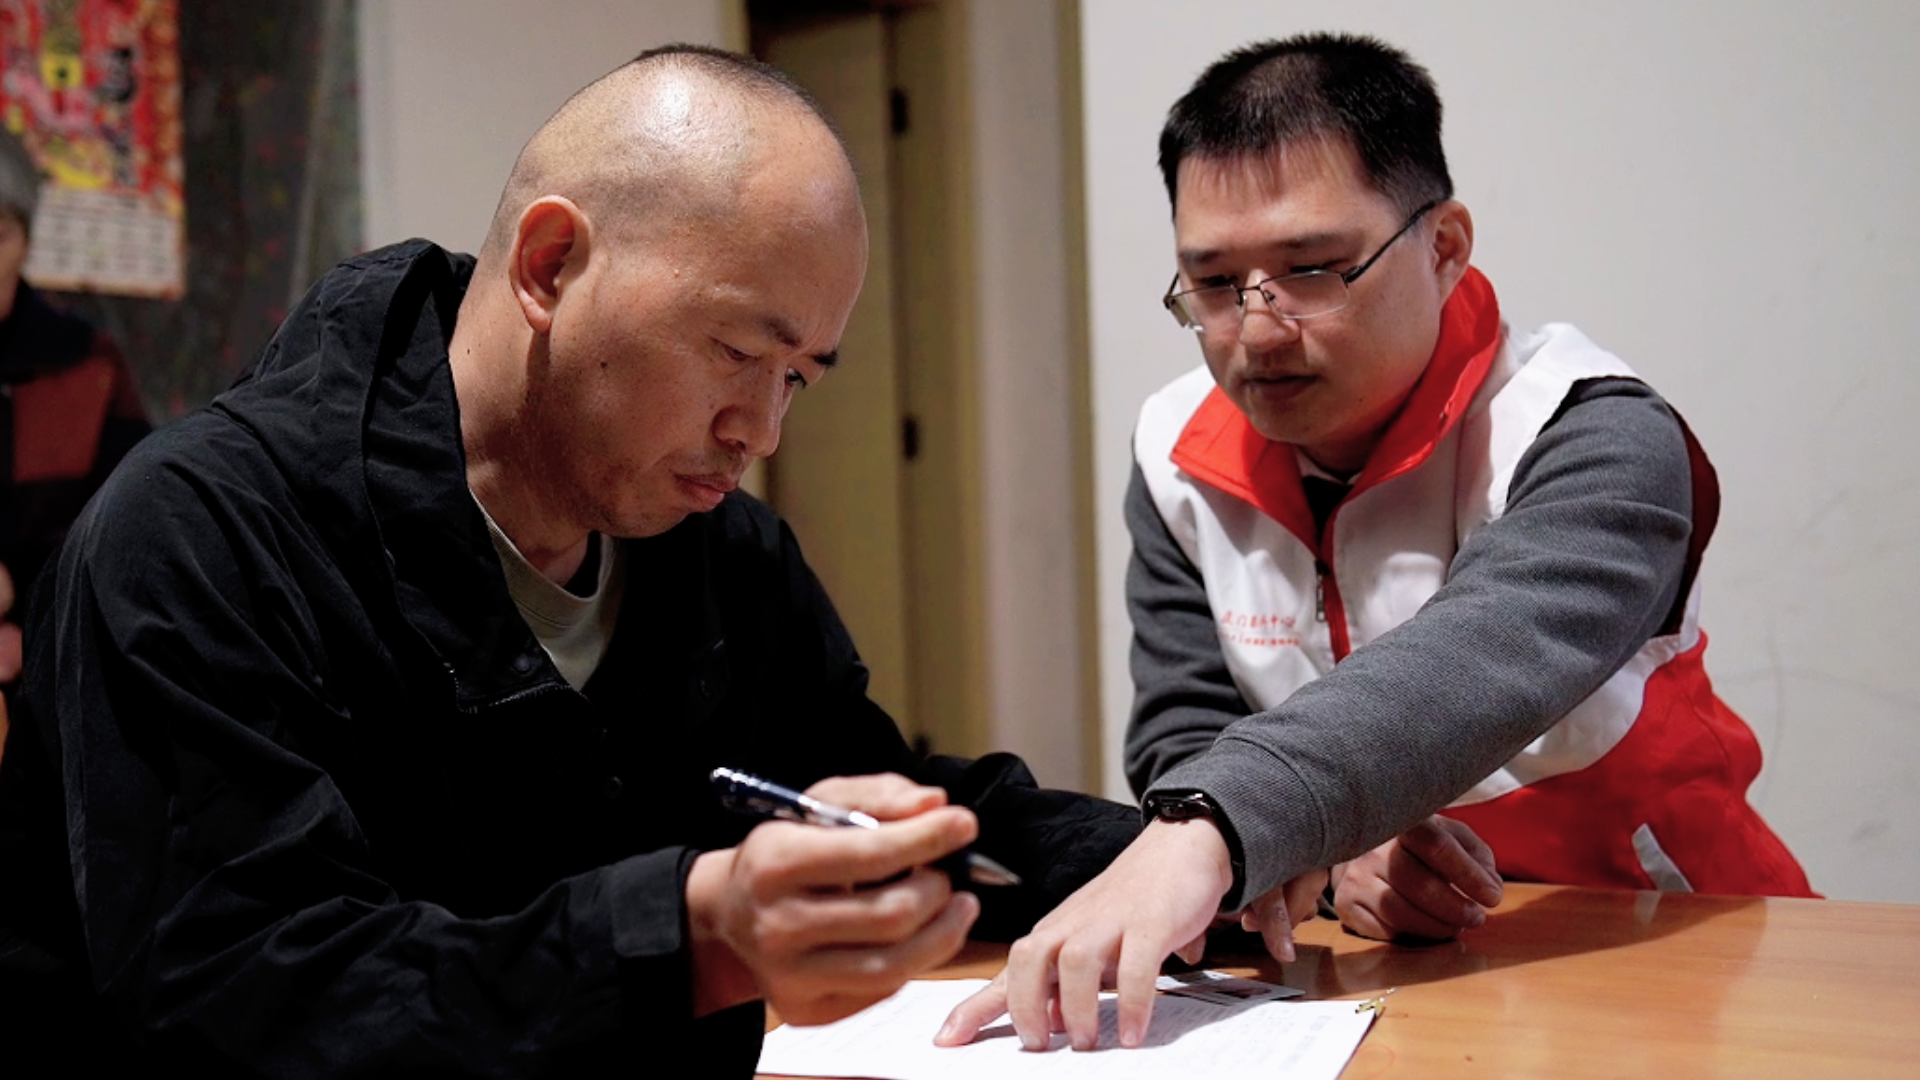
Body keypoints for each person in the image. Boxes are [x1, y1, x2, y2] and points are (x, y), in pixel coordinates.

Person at [0, 46, 1138, 1074]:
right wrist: (686, 938)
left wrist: (1185, 854)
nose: (760, 431)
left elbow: (877, 801)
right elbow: (252, 995)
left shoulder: (721, 554)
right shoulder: (202, 536)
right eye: (735, 351)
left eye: (797, 377)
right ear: (549, 267)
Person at [937, 32, 1813, 1053]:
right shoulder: (1174, 451)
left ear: (1444, 246)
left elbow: (1482, 655)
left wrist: (1223, 821)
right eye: (1212, 284)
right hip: (1396, 987)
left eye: (1312, 270)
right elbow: (1187, 724)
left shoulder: (1590, 431)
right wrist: (1331, 853)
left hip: (1671, 949)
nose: (1258, 332)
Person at [0, 125, 150, 758]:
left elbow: (132, 528)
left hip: (59, 685)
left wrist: (23, 587)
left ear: (24, 241)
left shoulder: (87, 364)